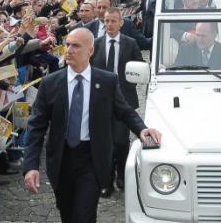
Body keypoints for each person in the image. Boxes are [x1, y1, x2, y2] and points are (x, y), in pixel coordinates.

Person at [22, 28, 162, 223]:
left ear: (90, 51)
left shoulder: (106, 81)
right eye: (68, 44)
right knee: (68, 213)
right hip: (61, 159)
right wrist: (30, 166)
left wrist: (141, 129)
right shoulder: (50, 83)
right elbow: (36, 127)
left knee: (84, 214)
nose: (69, 50)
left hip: (92, 158)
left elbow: (124, 111)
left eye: (76, 46)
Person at [90, 8, 145, 197]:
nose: (110, 25)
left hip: (124, 100)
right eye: (107, 21)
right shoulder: (95, 44)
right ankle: (105, 181)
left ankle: (122, 175)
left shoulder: (130, 43)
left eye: (114, 21)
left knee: (121, 141)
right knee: (104, 142)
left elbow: (139, 66)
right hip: (100, 100)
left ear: (121, 23)